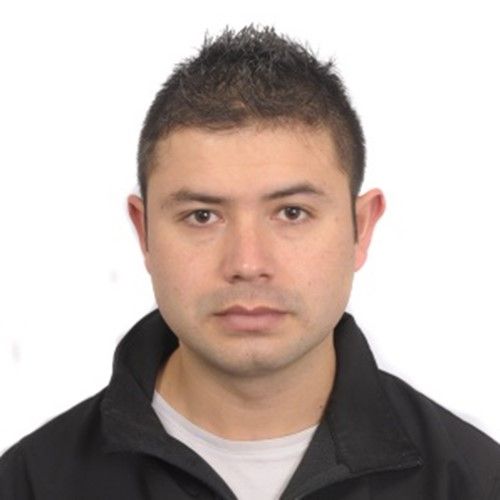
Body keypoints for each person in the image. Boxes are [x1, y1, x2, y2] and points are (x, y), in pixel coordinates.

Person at [1, 25, 499, 500]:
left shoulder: (476, 483)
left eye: (292, 213)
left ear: (361, 228)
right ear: (144, 231)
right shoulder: (27, 485)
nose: (247, 263)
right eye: (202, 216)